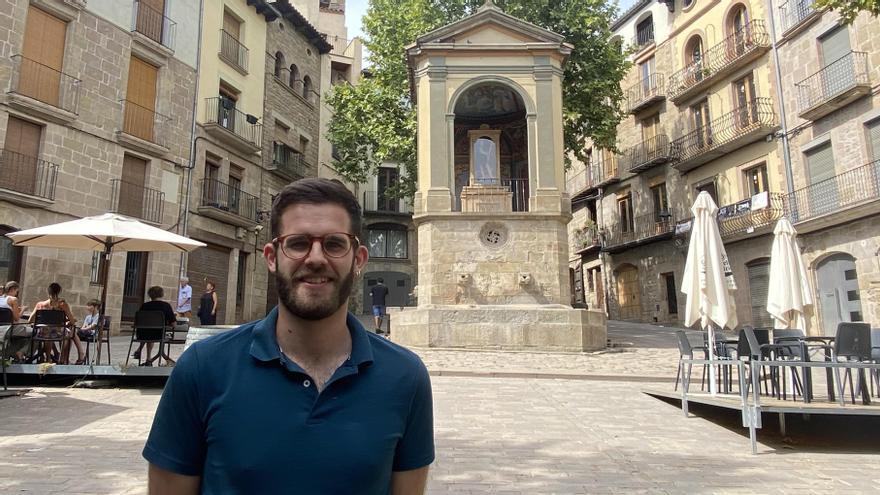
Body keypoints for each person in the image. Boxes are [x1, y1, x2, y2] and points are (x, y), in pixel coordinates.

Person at [144, 178, 434, 494]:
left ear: (359, 259)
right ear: (271, 257)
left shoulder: (405, 377)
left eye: (334, 244)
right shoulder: (202, 368)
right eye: (298, 243)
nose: (315, 258)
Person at [28, 282, 81, 364]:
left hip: (42, 333)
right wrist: (68, 321)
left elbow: (30, 320)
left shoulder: (40, 305)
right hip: (58, 333)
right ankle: (62, 358)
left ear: (48, 292)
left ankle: (48, 358)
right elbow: (72, 321)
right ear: (59, 292)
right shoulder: (62, 304)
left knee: (48, 332)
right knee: (69, 333)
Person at [133, 286, 177, 366]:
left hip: (142, 334)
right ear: (162, 294)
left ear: (150, 295)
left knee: (149, 330)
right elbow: (174, 324)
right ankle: (151, 358)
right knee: (154, 330)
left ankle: (148, 358)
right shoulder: (166, 306)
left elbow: (137, 322)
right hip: (159, 334)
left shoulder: (144, 306)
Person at [0, 281, 30, 362]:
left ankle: (12, 352)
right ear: (12, 289)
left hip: (1, 329)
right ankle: (21, 352)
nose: (16, 294)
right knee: (36, 332)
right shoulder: (13, 299)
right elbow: (17, 318)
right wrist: (23, 309)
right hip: (9, 329)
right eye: (17, 291)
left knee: (21, 336)